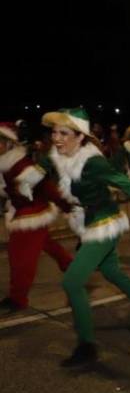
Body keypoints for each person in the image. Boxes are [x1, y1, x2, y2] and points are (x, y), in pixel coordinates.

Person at [40, 108, 130, 367]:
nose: (56, 138)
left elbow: (124, 182)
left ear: (80, 136)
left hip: (104, 224)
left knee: (72, 283)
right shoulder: (61, 155)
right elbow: (39, 167)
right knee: (111, 272)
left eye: (63, 133)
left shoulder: (92, 162)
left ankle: (87, 345)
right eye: (54, 132)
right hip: (89, 221)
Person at [0, 122, 73, 314]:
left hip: (32, 214)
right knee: (47, 244)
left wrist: (68, 206)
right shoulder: (5, 164)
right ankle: (73, 268)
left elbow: (47, 188)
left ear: (9, 143)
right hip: (22, 210)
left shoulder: (22, 165)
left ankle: (18, 298)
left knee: (20, 257)